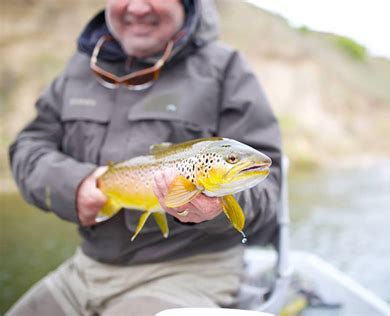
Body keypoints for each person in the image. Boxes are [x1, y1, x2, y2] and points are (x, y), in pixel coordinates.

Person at [7, 0, 282, 315]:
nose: (137, 7)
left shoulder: (226, 69)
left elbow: (269, 187)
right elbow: (28, 145)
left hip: (191, 272)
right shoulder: (78, 68)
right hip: (86, 268)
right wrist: (72, 184)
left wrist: (216, 208)